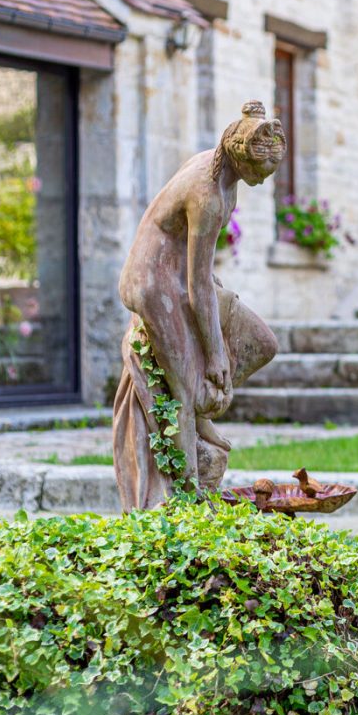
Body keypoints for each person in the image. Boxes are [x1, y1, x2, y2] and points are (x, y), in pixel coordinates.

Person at [112, 102, 284, 510]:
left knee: (263, 342)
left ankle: (205, 407)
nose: (260, 183)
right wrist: (215, 353)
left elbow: (199, 274)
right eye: (259, 174)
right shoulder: (207, 194)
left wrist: (220, 354)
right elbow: (195, 285)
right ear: (241, 156)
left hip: (185, 277)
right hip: (153, 283)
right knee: (182, 392)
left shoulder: (222, 170)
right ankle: (187, 502)